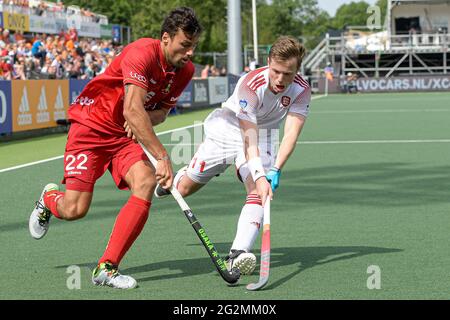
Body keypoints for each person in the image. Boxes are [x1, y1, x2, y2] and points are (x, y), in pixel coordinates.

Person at [28, 7, 203, 289]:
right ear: (166, 38)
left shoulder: (185, 70)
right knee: (74, 209)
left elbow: (160, 113)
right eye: (185, 45)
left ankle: (106, 267)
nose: (190, 52)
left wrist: (143, 119)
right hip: (91, 128)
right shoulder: (141, 53)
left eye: (194, 46)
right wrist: (161, 156)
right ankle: (48, 199)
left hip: (123, 137)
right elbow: (133, 109)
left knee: (145, 183)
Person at [152, 36, 311, 275]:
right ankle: (176, 179)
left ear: (297, 70)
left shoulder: (302, 90)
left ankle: (238, 253)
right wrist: (260, 174)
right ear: (268, 62)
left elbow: (290, 134)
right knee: (184, 189)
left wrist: (275, 169)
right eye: (276, 71)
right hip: (228, 131)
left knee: (259, 192)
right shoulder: (250, 83)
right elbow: (248, 137)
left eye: (287, 74)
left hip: (265, 134)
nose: (280, 80)